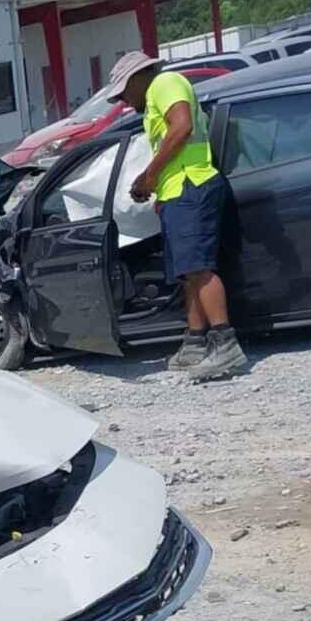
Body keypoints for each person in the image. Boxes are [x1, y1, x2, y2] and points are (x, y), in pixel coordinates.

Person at [104, 50, 247, 380]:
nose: (125, 100)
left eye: (125, 91)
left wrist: (149, 177)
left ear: (140, 77)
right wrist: (159, 188)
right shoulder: (155, 94)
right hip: (177, 190)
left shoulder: (164, 83)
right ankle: (195, 342)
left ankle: (225, 345)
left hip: (190, 184)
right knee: (188, 272)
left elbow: (180, 127)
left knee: (199, 268)